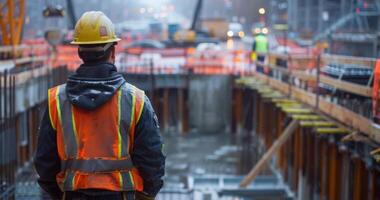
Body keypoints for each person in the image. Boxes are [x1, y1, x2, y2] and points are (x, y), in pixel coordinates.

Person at [34, 11, 165, 200]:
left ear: (79, 52)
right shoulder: (135, 100)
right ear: (113, 51)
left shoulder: (56, 100)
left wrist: (59, 194)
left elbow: (45, 164)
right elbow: (152, 161)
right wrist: (145, 194)